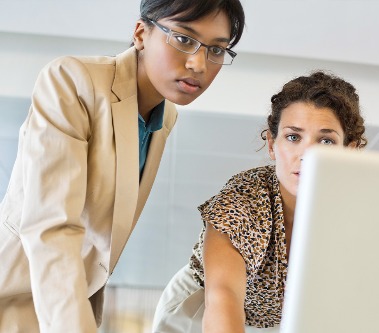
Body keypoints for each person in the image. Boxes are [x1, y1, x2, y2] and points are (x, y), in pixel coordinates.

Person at [0, 0, 245, 332]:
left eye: (216, 50)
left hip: (70, 307)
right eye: (185, 39)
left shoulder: (165, 116)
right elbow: (51, 226)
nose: (198, 63)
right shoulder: (72, 81)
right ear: (141, 33)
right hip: (14, 297)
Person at [152, 71, 368, 333]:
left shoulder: (356, 209)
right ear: (271, 144)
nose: (307, 154)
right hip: (199, 311)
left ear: (351, 149)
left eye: (326, 140)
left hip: (279, 321)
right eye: (293, 137)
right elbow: (223, 297)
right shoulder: (246, 198)